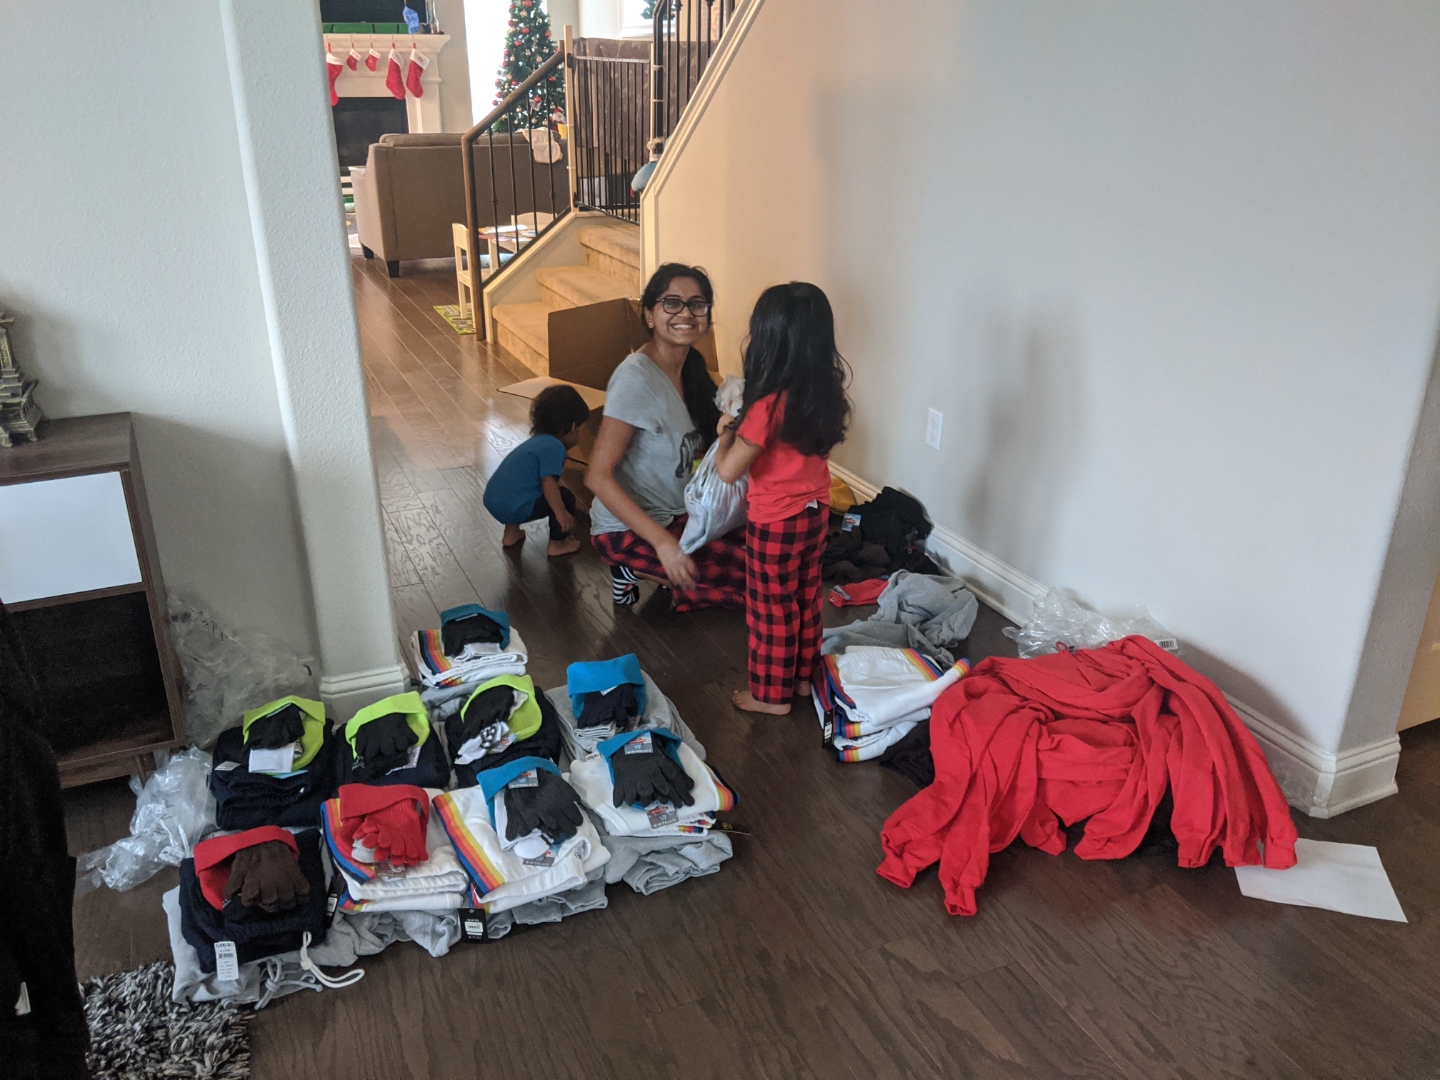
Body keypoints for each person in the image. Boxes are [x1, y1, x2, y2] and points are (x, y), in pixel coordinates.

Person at [713, 282, 851, 714]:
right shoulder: (828, 390)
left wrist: (724, 434)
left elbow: (729, 469)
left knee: (769, 608)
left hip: (776, 520)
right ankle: (801, 681)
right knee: (806, 599)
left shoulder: (766, 405)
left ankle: (769, 696)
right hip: (816, 512)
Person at [585, 264, 747, 610]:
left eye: (697, 304)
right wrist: (664, 545)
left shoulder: (692, 367)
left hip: (679, 512)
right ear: (649, 315)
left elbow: (704, 446)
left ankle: (661, 566)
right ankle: (628, 568)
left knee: (761, 558)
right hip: (625, 527)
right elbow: (597, 477)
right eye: (671, 303)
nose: (685, 313)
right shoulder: (635, 378)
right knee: (742, 588)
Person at [482, 384, 589, 557]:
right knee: (564, 497)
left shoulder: (538, 442)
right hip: (513, 506)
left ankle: (511, 534)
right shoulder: (555, 447)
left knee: (521, 493)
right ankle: (557, 544)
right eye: (581, 430)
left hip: (494, 500)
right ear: (572, 427)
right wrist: (561, 512)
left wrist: (577, 506)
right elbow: (549, 482)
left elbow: (549, 479)